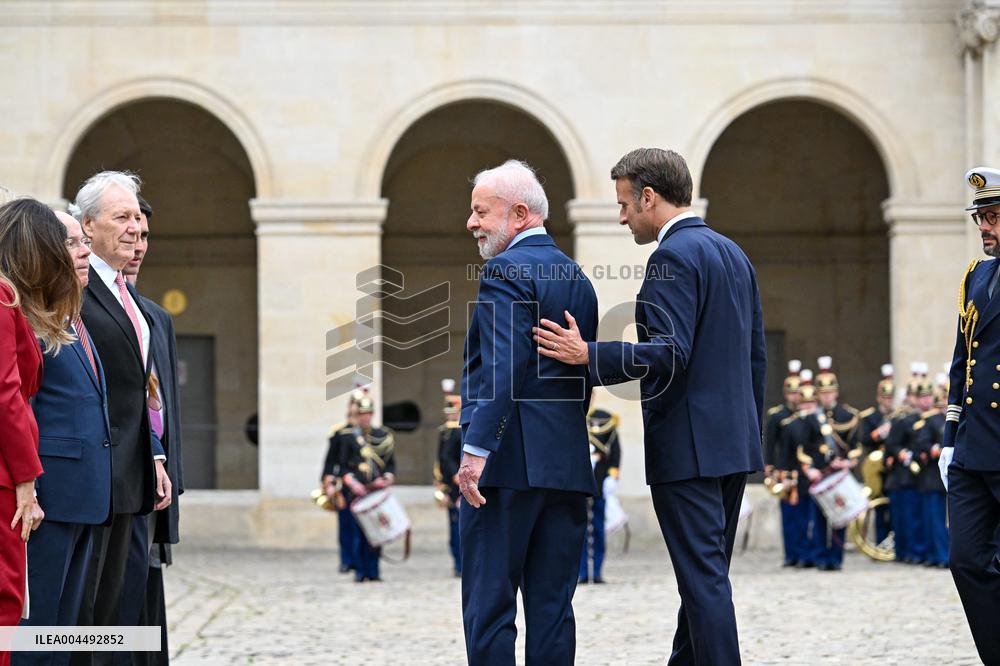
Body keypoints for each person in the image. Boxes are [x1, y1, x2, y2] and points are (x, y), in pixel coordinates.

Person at [536, 148, 765, 664]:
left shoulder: (672, 256)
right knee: (703, 577)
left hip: (689, 450)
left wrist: (588, 354)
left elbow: (669, 352)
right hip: (731, 445)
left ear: (649, 196)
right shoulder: (732, 252)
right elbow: (755, 358)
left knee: (703, 581)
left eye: (623, 205)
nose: (621, 218)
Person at [457, 160, 598, 665]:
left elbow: (502, 368)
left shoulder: (503, 271)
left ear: (519, 213)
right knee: (553, 608)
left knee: (490, 606)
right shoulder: (577, 276)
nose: (471, 223)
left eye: (480, 211)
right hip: (565, 467)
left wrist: (476, 450)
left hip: (505, 470)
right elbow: (580, 380)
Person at [72, 172, 170, 654]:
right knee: (87, 615)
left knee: (124, 612)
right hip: (92, 479)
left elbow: (139, 390)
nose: (134, 227)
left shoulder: (129, 294)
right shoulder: (76, 289)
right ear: (87, 225)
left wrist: (154, 454)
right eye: (121, 217)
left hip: (133, 479)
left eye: (137, 217)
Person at [13, 210, 111, 665]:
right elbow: (19, 409)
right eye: (72, 242)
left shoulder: (70, 317)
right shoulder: (25, 319)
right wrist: (28, 486)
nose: (84, 250)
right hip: (44, 497)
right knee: (37, 633)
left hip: (84, 495)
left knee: (65, 636)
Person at [0, 199, 78, 637]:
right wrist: (27, 480)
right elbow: (6, 394)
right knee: (7, 603)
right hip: (4, 478)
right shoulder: (3, 295)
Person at [117, 194, 183, 666]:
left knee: (146, 608)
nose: (138, 245)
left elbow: (166, 406)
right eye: (128, 233)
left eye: (144, 236)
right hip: (118, 482)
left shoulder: (155, 316)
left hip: (153, 490)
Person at [940, 166, 1000, 664]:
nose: (985, 227)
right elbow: (963, 360)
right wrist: (948, 435)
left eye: (995, 216)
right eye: (982, 217)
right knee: (966, 560)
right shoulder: (975, 276)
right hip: (974, 447)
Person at [793, 376, 859, 571]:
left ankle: (836, 558)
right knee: (820, 517)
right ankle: (821, 557)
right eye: (822, 393)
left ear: (836, 392)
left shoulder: (847, 415)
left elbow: (855, 446)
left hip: (838, 474)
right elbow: (803, 449)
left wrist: (847, 462)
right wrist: (809, 469)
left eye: (830, 392)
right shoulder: (812, 417)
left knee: (840, 515)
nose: (827, 396)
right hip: (820, 474)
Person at [340, 395, 396, 583]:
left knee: (376, 533)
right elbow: (342, 466)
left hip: (376, 491)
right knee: (357, 533)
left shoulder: (382, 436)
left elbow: (390, 464)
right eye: (361, 414)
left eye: (368, 414)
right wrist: (352, 482)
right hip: (356, 492)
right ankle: (360, 570)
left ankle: (373, 571)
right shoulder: (348, 436)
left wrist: (387, 477)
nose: (365, 417)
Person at [884, 364, 926, 564]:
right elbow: (892, 444)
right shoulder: (902, 419)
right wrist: (904, 454)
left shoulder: (926, 418)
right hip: (904, 474)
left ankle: (916, 551)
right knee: (906, 518)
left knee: (916, 517)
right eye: (916, 396)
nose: (919, 400)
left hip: (921, 474)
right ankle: (908, 551)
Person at [578, 398, 621, 585]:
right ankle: (581, 573)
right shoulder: (574, 415)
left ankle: (596, 571)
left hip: (599, 484)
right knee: (578, 531)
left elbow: (615, 453)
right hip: (578, 486)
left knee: (597, 529)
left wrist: (612, 477)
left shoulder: (603, 419)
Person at [764, 360, 803, 567]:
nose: (795, 397)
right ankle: (791, 555)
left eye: (798, 393)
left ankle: (805, 553)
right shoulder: (777, 416)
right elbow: (770, 445)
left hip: (805, 471)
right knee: (789, 516)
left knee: (806, 516)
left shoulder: (808, 415)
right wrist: (769, 470)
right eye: (791, 393)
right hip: (786, 471)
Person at [857, 364, 897, 545]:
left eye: (890, 397)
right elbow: (864, 439)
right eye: (884, 397)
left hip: (893, 466)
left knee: (895, 507)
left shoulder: (898, 416)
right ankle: (881, 540)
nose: (888, 401)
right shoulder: (869, 417)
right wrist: (879, 432)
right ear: (878, 397)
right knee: (879, 506)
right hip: (875, 468)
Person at [322, 392, 361, 574]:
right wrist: (328, 481)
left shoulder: (371, 433)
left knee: (363, 526)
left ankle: (362, 560)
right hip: (345, 486)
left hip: (364, 486)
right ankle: (347, 560)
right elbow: (331, 460)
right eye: (353, 404)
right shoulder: (340, 432)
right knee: (345, 524)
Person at [913, 380, 947, 568]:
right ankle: (939, 555)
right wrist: (937, 450)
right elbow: (922, 445)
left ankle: (941, 554)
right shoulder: (932, 420)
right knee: (934, 521)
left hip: (949, 478)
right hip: (933, 477)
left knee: (943, 521)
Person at [435, 379, 462, 577]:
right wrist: (452, 476)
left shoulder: (453, 430)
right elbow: (443, 459)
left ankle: (463, 564)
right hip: (455, 486)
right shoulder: (449, 431)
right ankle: (459, 564)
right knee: (456, 528)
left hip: (467, 483)